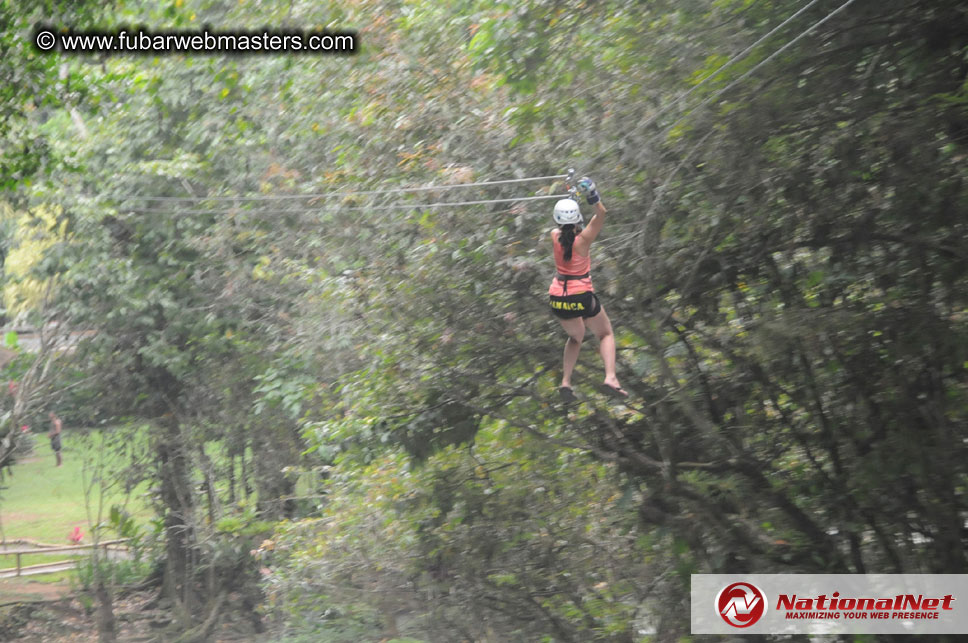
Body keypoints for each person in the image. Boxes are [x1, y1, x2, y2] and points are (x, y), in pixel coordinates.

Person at [548, 177, 627, 402]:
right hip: (580, 295)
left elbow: (566, 228)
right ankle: (611, 377)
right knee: (605, 333)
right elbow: (601, 214)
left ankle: (566, 382)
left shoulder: (554, 236)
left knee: (576, 337)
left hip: (557, 298)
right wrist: (591, 192)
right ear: (577, 220)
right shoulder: (583, 240)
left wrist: (571, 199)